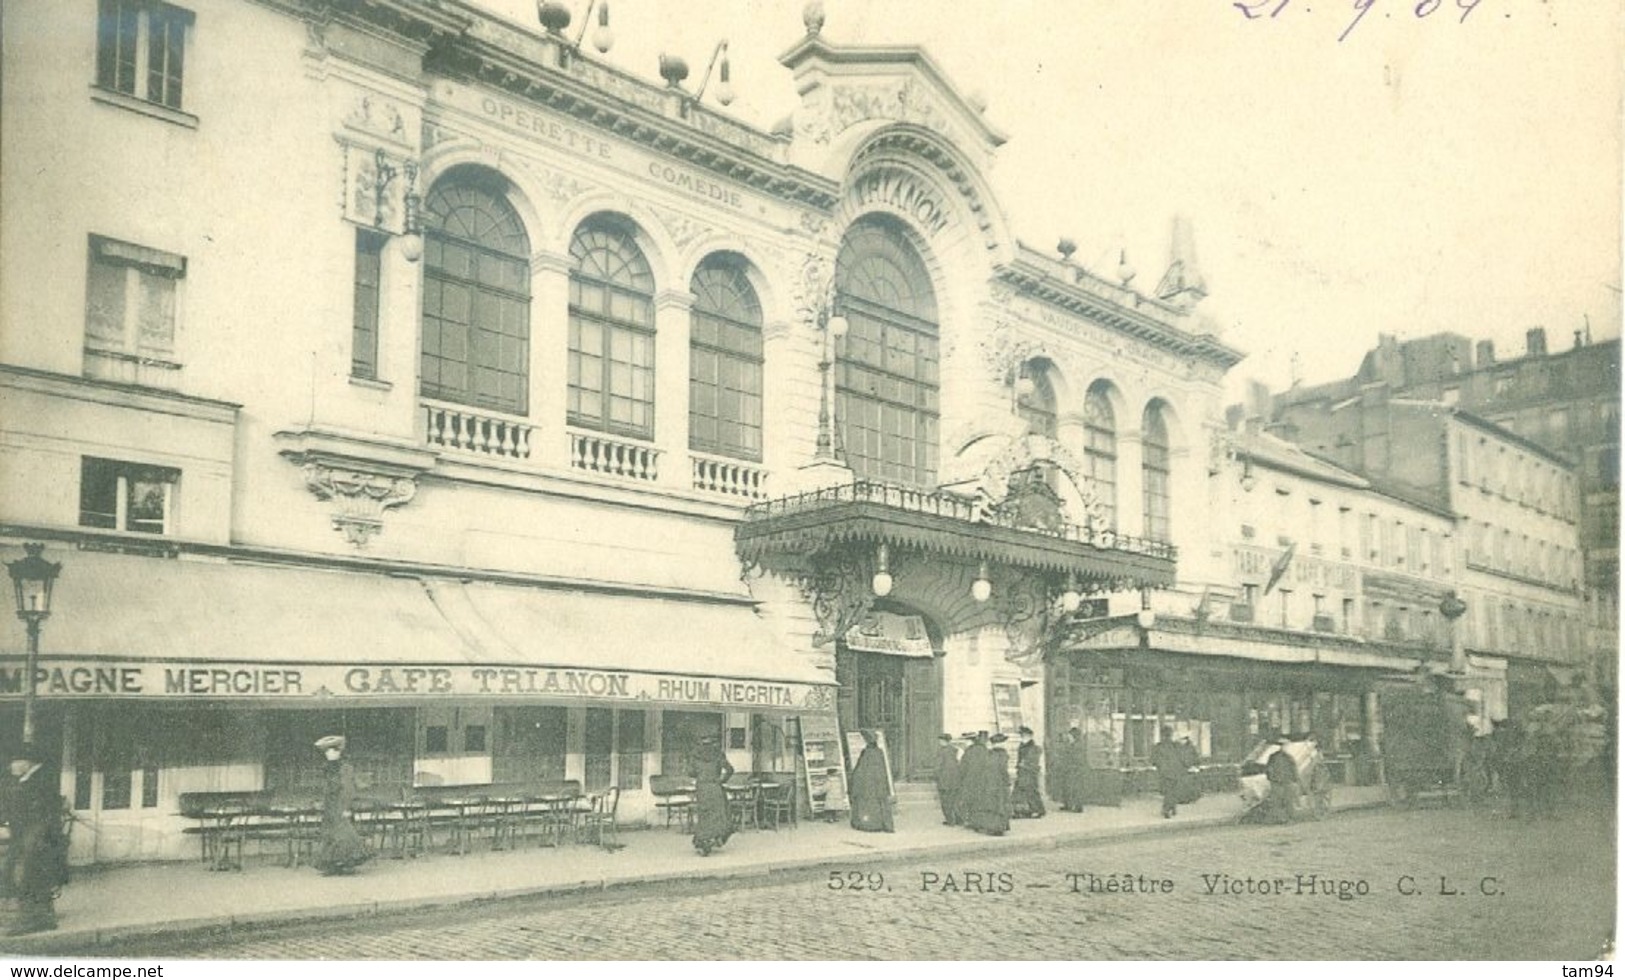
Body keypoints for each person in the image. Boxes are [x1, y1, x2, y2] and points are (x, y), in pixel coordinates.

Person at [1, 745, 66, 935]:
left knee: (25, 871)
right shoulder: (27, 779)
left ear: (26, 762)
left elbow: (42, 815)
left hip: (38, 838)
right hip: (27, 835)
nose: (11, 766)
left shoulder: (40, 780)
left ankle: (33, 918)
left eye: (15, 761)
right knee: (13, 869)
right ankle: (36, 915)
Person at [312, 736, 371, 876]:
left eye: (331, 751)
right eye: (326, 751)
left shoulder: (345, 768)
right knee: (330, 834)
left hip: (340, 804)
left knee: (344, 834)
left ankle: (347, 864)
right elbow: (327, 788)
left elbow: (348, 789)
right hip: (330, 806)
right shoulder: (327, 768)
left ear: (338, 752)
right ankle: (332, 865)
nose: (328, 754)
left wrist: (346, 808)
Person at [690, 733, 734, 855]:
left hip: (702, 788)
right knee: (719, 815)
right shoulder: (718, 754)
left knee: (704, 815)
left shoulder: (696, 755)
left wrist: (699, 774)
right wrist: (721, 780)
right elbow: (730, 770)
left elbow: (691, 772)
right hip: (715, 787)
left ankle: (704, 841)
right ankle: (716, 839)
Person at [959, 731, 1006, 836]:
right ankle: (993, 826)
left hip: (976, 781)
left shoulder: (969, 752)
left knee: (978, 804)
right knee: (990, 804)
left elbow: (963, 768)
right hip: (988, 782)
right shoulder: (988, 752)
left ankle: (978, 823)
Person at [848, 731, 895, 832]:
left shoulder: (867, 753)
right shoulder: (878, 752)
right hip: (876, 784)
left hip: (867, 784)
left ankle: (868, 824)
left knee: (867, 804)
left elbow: (861, 769)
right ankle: (876, 823)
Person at [1262, 734, 1300, 824]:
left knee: (1288, 801)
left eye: (1284, 745)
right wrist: (1271, 778)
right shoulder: (1273, 757)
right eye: (1281, 745)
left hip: (1287, 781)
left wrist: (1295, 780)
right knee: (1276, 801)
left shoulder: (1289, 758)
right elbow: (1268, 768)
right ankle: (1279, 818)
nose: (1282, 747)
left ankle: (1290, 818)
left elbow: (1294, 769)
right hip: (1276, 782)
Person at [1011, 727, 1046, 818]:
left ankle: (1038, 810)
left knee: (1031, 791)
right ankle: (1021, 810)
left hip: (1029, 772)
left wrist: (1024, 764)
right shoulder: (1022, 745)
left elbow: (1033, 760)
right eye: (1021, 735)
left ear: (1029, 736)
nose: (1021, 737)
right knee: (1019, 792)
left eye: (1023, 735)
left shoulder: (1033, 747)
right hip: (1022, 772)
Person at [1151, 727, 1186, 819]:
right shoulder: (1176, 746)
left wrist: (1159, 766)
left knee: (1168, 791)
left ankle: (1168, 808)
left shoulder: (1158, 746)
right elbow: (1183, 758)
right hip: (1176, 771)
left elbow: (1153, 760)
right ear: (1171, 735)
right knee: (1173, 790)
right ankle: (1171, 807)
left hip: (1164, 773)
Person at [1056, 728, 1087, 812]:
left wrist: (1070, 765)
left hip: (1075, 770)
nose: (1068, 737)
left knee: (1076, 788)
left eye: (1070, 735)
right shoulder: (1071, 744)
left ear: (1074, 736)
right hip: (1069, 769)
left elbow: (1077, 759)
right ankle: (1068, 805)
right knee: (1067, 787)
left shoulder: (1078, 746)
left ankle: (1078, 807)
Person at [987, 734, 1014, 831]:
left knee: (994, 804)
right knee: (1002, 804)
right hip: (1000, 783)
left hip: (991, 782)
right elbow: (1003, 770)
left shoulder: (989, 753)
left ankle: (994, 826)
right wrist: (1007, 781)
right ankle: (1001, 827)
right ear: (1001, 743)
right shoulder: (1002, 754)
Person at [934, 733, 962, 826]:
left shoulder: (941, 752)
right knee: (955, 800)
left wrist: (936, 776)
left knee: (945, 801)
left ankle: (950, 820)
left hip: (944, 780)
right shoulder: (955, 750)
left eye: (940, 740)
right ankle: (958, 819)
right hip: (955, 780)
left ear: (943, 741)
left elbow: (938, 766)